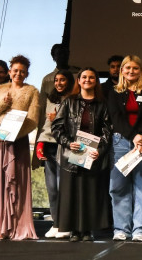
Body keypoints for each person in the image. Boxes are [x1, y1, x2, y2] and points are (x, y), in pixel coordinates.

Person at [51, 68, 113, 242]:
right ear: (78, 81)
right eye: (84, 77)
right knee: (72, 192)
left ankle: (87, 230)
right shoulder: (69, 101)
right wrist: (67, 142)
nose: (87, 80)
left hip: (92, 155)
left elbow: (107, 130)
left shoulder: (103, 103)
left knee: (90, 193)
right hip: (72, 154)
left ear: (96, 81)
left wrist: (99, 150)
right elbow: (57, 127)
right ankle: (74, 231)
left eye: (91, 77)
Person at [0, 54, 40, 240]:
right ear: (10, 72)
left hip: (19, 141)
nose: (18, 73)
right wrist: (2, 104)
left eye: (22, 71)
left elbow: (33, 120)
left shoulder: (32, 91)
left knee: (19, 183)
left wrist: (15, 133)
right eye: (15, 70)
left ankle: (19, 226)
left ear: (26, 74)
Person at [107, 55, 142, 241]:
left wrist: (141, 136)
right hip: (120, 142)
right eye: (127, 68)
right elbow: (116, 117)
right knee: (118, 187)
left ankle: (141, 230)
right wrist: (133, 136)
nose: (131, 71)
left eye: (135, 68)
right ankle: (121, 229)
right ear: (122, 70)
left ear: (140, 71)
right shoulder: (113, 92)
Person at [36, 70, 75, 239]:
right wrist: (40, 144)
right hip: (50, 146)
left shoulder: (74, 100)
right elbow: (46, 124)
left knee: (64, 187)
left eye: (63, 80)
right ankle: (56, 222)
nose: (59, 83)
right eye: (57, 80)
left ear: (70, 82)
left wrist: (58, 119)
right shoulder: (51, 98)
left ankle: (66, 223)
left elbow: (77, 125)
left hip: (67, 147)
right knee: (52, 188)